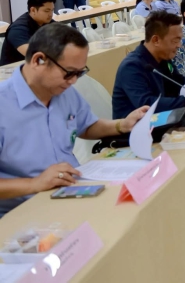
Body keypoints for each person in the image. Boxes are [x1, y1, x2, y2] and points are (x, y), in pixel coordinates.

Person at [0, 24, 149, 216]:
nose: (73, 81)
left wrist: (121, 125)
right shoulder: (4, 105)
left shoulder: (65, 92)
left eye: (79, 73)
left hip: (72, 191)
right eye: (69, 73)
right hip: (22, 210)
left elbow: (86, 126)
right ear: (38, 60)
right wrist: (34, 183)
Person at [112, 11, 185, 119]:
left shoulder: (162, 57)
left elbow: (178, 80)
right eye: (175, 41)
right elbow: (147, 104)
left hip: (160, 120)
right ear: (156, 40)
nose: (179, 45)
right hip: (135, 127)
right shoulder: (131, 67)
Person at [0, 0, 55, 66]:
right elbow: (31, 53)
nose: (50, 14)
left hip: (34, 65)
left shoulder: (48, 22)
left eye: (52, 10)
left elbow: (66, 37)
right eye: (47, 11)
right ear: (33, 10)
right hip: (13, 69)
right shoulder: (18, 28)